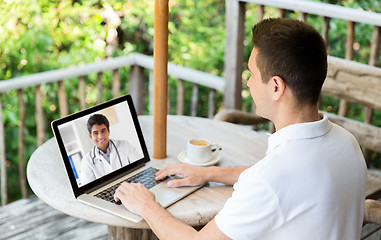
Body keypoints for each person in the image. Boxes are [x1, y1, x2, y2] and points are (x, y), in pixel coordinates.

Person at [114, 18, 367, 239]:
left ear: (276, 87)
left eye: (252, 74)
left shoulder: (271, 178)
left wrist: (147, 205)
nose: (248, 82)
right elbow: (288, 182)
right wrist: (209, 173)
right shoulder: (346, 143)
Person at [80, 114, 141, 186]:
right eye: (95, 133)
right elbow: (88, 188)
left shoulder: (125, 145)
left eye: (103, 131)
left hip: (131, 188)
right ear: (90, 136)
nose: (100, 136)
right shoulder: (86, 161)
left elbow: (140, 169)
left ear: (108, 131)